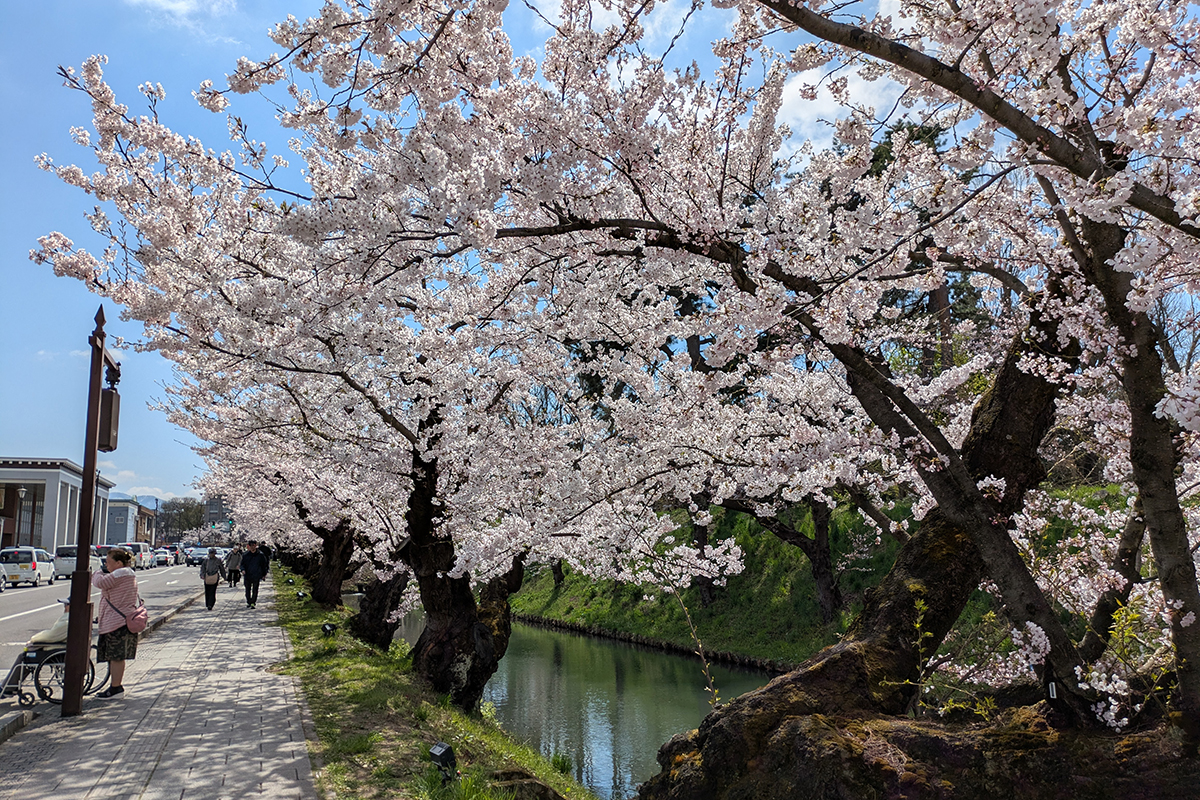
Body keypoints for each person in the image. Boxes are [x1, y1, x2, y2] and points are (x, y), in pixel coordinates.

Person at [92, 548, 139, 699]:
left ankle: (116, 688)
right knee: (116, 656)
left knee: (116, 656)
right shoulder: (128, 574)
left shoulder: (120, 573)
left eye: (109, 562)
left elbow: (99, 582)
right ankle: (115, 686)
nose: (106, 564)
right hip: (121, 619)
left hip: (117, 622)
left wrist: (98, 571)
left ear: (119, 563)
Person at [241, 540, 270, 609]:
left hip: (256, 574)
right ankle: (249, 601)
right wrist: (242, 570)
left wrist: (264, 574)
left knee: (255, 589)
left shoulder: (260, 555)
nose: (252, 547)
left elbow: (264, 565)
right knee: (247, 589)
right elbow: (242, 564)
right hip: (247, 574)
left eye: (253, 545)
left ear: (256, 546)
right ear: (249, 546)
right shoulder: (246, 555)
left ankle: (253, 602)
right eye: (251, 546)